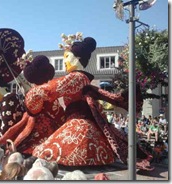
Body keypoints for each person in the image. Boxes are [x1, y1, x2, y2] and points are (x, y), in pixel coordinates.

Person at [24, 33, 152, 170]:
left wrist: (31, 96)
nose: (65, 62)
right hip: (83, 126)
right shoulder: (82, 78)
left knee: (45, 151)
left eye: (67, 58)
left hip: (79, 127)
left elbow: (48, 90)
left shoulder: (76, 77)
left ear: (76, 59)